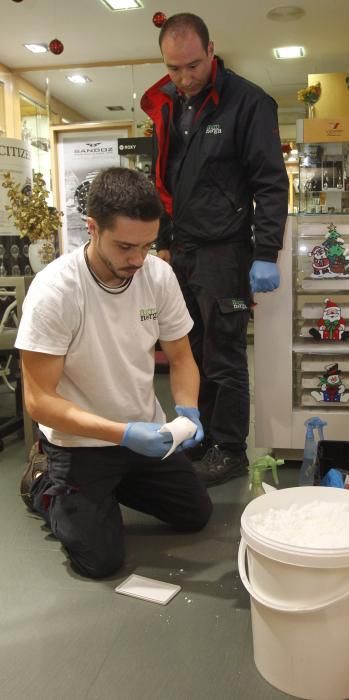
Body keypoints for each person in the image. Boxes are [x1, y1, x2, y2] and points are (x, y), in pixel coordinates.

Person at [15, 167, 212, 580]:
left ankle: (106, 490)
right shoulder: (56, 291)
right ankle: (42, 482)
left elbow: (180, 357)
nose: (138, 259)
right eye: (125, 247)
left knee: (196, 514)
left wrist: (188, 409)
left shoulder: (157, 275)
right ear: (92, 228)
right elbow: (39, 401)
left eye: (148, 245)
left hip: (145, 433)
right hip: (80, 442)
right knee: (99, 562)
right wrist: (120, 434)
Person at [141, 13, 289, 486]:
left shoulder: (248, 103)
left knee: (224, 355)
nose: (184, 78)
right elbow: (164, 183)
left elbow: (270, 183)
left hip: (226, 251)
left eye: (192, 66)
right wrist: (162, 243)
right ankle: (199, 434)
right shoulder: (170, 106)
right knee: (190, 349)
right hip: (181, 251)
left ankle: (230, 448)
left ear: (211, 51)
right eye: (174, 68)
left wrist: (265, 251)